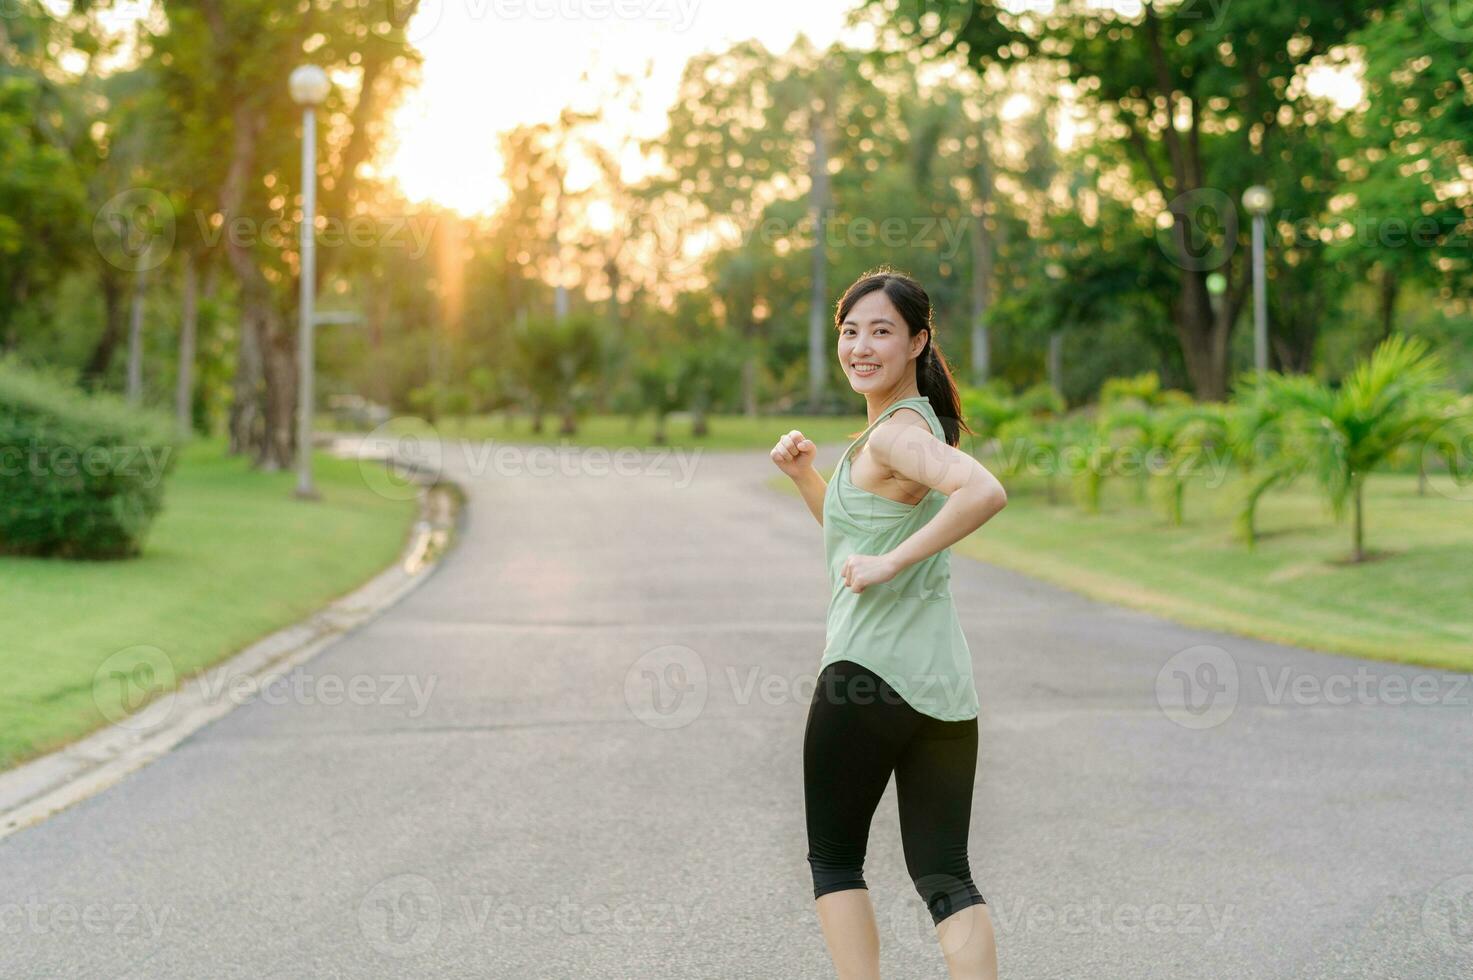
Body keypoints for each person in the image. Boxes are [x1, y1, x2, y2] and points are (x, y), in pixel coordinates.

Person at [770, 268, 1009, 979]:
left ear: (917, 342)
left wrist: (892, 564)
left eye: (880, 331)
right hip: (938, 685)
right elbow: (856, 543)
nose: (861, 347)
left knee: (834, 860)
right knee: (943, 875)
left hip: (864, 674)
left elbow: (985, 490)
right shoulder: (901, 431)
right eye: (850, 331)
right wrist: (809, 478)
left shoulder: (894, 436)